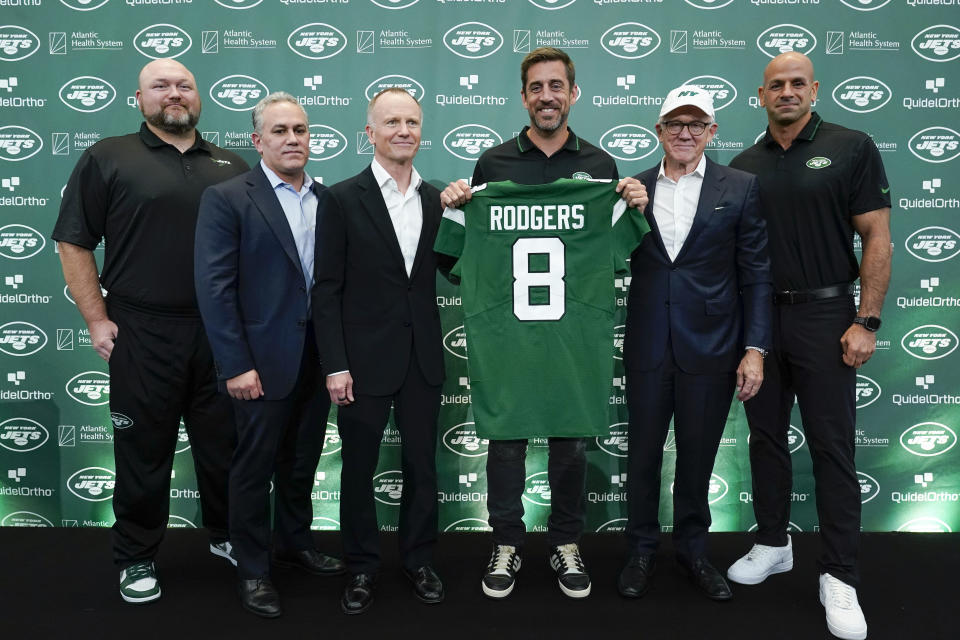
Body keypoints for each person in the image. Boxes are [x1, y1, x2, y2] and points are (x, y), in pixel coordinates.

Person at [440, 47, 647, 600]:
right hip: (508, 339)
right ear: (524, 96)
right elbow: (454, 262)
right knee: (505, 445)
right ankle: (506, 542)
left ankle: (564, 541)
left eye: (557, 85)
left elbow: (623, 250)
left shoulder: (602, 168)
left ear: (572, 94)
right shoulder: (492, 166)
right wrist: (458, 204)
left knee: (572, 446)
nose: (547, 95)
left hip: (573, 339)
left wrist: (633, 203)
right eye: (536, 87)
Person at [52, 58, 247, 605]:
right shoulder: (109, 157)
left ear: (198, 97)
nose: (174, 93)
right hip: (142, 330)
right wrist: (96, 318)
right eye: (160, 86)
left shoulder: (232, 164)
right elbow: (73, 240)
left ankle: (231, 536)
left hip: (220, 333)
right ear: (139, 99)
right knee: (142, 449)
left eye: (184, 85)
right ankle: (135, 555)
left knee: (226, 447)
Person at [725, 52, 891, 640]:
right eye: (777, 85)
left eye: (798, 83)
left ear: (814, 89)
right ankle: (774, 542)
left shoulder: (851, 146)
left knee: (831, 447)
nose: (787, 92)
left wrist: (865, 320)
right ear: (761, 95)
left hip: (827, 315)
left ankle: (840, 574)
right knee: (766, 439)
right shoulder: (744, 166)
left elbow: (876, 234)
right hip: (764, 319)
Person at [615, 86, 771, 602]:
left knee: (699, 455)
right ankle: (640, 549)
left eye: (696, 124)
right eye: (675, 124)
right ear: (658, 131)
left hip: (712, 345)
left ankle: (693, 550)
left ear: (712, 131)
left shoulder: (741, 187)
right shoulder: (630, 188)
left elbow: (756, 274)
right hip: (646, 344)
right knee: (641, 455)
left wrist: (755, 348)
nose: (685, 133)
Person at [194, 92, 345, 618]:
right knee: (254, 468)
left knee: (302, 460)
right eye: (280, 131)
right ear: (258, 140)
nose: (293, 139)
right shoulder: (229, 197)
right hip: (257, 362)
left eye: (300, 130)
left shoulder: (329, 199)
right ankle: (253, 570)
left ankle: (295, 543)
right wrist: (235, 363)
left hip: (316, 358)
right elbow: (214, 289)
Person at [314, 88, 445, 615]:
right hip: (361, 363)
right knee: (358, 468)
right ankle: (362, 566)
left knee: (422, 467)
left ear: (421, 131)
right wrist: (336, 364)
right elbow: (326, 289)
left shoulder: (437, 199)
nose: (403, 130)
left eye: (412, 121)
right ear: (370, 132)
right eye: (391, 121)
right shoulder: (341, 198)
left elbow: (454, 268)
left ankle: (419, 560)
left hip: (422, 359)